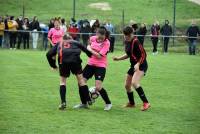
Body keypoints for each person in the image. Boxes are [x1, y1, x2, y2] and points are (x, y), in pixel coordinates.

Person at [46, 34, 92, 110]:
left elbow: (48, 54)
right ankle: (88, 99)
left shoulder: (59, 43)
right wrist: (90, 55)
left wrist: (53, 65)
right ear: (71, 39)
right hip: (75, 61)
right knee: (81, 81)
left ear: (63, 39)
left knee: (63, 82)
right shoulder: (76, 42)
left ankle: (63, 102)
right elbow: (87, 51)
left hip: (63, 62)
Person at [113, 26, 150, 111]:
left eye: (128, 35)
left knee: (134, 82)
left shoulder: (136, 41)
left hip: (141, 65)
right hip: (133, 65)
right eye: (125, 35)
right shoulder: (127, 41)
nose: (126, 37)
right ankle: (131, 103)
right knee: (127, 85)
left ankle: (146, 103)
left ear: (132, 34)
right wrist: (118, 58)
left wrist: (138, 64)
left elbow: (144, 55)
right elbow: (128, 54)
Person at [75, 26, 112, 111]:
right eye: (99, 37)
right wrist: (88, 46)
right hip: (90, 64)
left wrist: (90, 49)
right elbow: (88, 43)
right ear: (96, 34)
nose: (100, 39)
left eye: (102, 37)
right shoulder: (92, 38)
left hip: (100, 66)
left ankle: (108, 103)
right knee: (81, 82)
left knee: (98, 87)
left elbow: (99, 56)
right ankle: (84, 103)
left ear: (105, 35)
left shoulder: (107, 43)